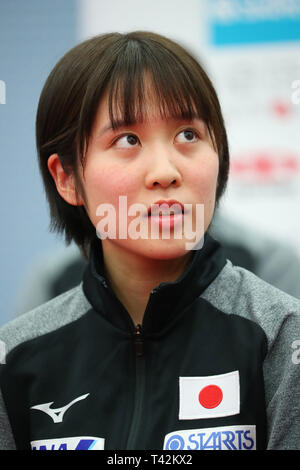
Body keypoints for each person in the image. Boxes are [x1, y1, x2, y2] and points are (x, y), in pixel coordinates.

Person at [0, 31, 299, 451]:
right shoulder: (14, 358)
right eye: (128, 140)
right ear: (67, 177)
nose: (165, 171)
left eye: (188, 135)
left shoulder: (285, 337)